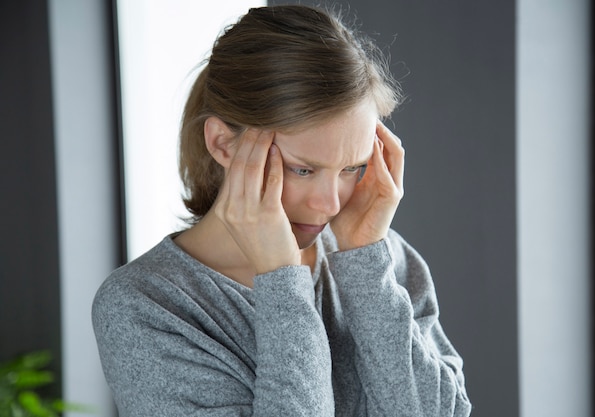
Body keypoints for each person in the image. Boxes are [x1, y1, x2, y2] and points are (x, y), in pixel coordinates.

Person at [92, 4, 471, 417]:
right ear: (222, 143)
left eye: (351, 168)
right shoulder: (147, 305)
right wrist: (281, 281)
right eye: (303, 169)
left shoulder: (382, 258)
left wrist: (366, 270)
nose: (330, 204)